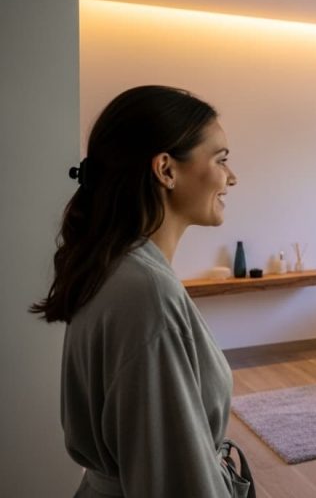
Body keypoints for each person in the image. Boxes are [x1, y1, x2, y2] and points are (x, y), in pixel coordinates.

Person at [30, 85, 253, 497]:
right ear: (166, 170)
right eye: (221, 160)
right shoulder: (145, 293)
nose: (232, 177)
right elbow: (172, 482)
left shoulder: (117, 267)